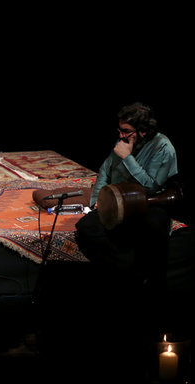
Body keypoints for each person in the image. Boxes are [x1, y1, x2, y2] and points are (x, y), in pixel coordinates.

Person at [75, 102, 178, 323]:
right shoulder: (125, 141)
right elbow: (105, 171)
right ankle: (130, 274)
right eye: (120, 130)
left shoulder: (163, 147)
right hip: (118, 202)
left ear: (143, 131)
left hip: (148, 205)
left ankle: (144, 288)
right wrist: (97, 201)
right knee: (85, 228)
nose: (121, 135)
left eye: (126, 131)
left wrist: (127, 158)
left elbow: (151, 186)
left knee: (152, 227)